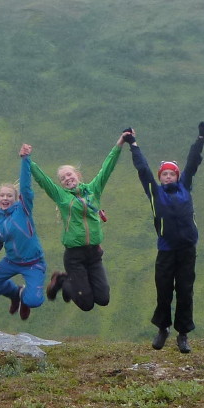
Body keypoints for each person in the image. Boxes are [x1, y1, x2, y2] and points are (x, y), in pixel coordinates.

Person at [29, 130, 133, 312]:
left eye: (70, 175)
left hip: (94, 254)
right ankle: (62, 280)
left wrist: (120, 143)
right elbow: (43, 180)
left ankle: (71, 283)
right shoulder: (61, 197)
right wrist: (27, 161)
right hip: (74, 257)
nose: (67, 179)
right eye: (63, 178)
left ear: (77, 175)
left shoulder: (94, 189)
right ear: (61, 184)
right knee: (86, 304)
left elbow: (107, 167)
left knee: (103, 298)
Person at [130, 122, 204, 353]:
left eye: (171, 173)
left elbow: (192, 162)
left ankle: (183, 334)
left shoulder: (185, 185)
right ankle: (163, 329)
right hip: (166, 249)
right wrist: (133, 145)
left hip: (187, 249)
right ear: (160, 177)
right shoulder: (154, 193)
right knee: (164, 289)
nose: (167, 176)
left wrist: (201, 138)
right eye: (164, 174)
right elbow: (143, 170)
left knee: (185, 290)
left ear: (177, 175)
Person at [0, 146, 63, 321]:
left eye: (9, 196)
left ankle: (24, 297)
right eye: (2, 196)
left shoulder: (23, 210)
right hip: (11, 262)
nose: (5, 198)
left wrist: (25, 160)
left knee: (34, 301)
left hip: (34, 263)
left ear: (16, 198)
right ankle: (16, 292)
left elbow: (26, 187)